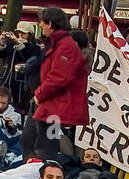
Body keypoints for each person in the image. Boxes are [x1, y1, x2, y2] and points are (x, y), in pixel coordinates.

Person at [31, 7, 89, 159]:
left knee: (46, 147)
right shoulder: (61, 43)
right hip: (53, 104)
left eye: (42, 23)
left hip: (56, 105)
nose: (40, 26)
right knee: (39, 142)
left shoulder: (64, 46)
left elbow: (59, 77)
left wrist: (39, 94)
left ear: (49, 24)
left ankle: (47, 173)